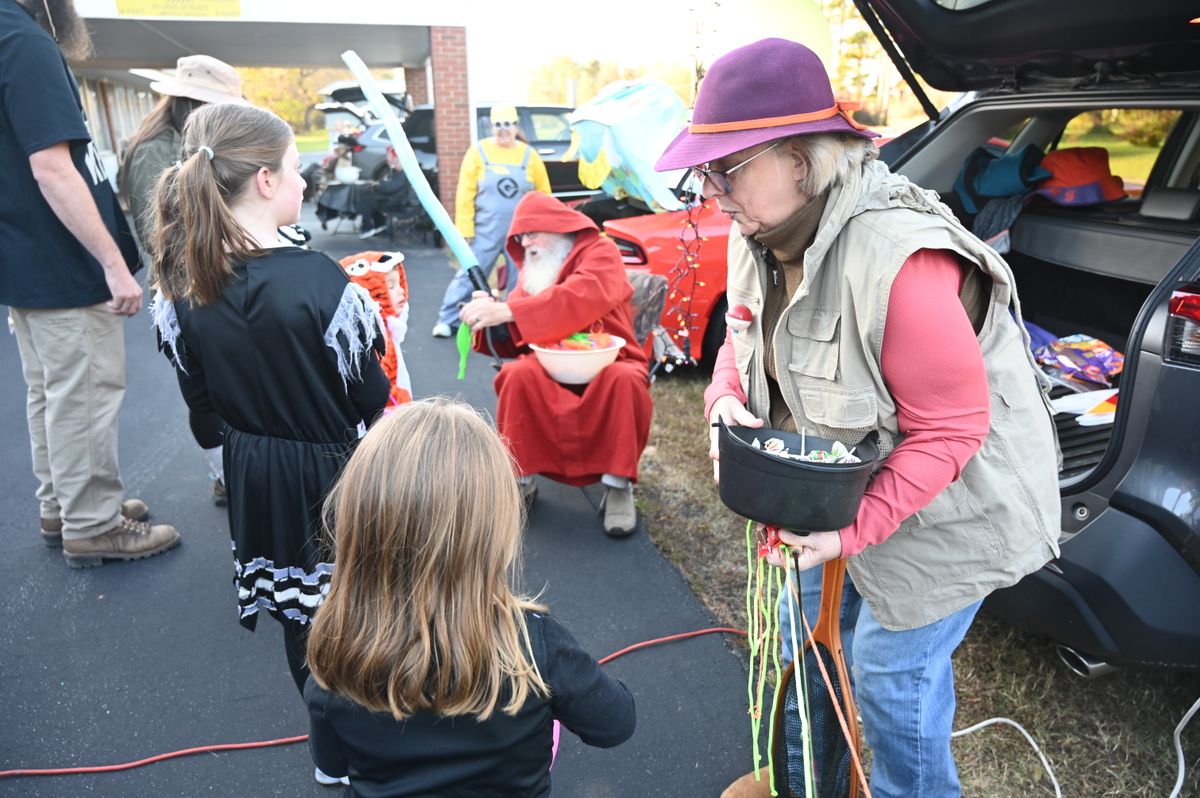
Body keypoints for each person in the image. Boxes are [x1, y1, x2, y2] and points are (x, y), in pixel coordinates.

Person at [653, 39, 1061, 798]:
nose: (711, 190)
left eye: (725, 168)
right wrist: (722, 399)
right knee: (803, 635)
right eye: (702, 172)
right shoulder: (757, 231)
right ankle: (814, 782)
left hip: (955, 505)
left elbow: (951, 430)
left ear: (799, 161)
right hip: (844, 484)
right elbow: (740, 337)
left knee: (889, 673)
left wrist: (850, 532)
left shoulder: (901, 261)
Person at [150, 102, 390, 767]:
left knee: (300, 618)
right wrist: (382, 337)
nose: (304, 181)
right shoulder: (318, 277)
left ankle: (329, 754)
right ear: (263, 180)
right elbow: (370, 397)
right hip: (334, 473)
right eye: (294, 168)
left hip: (254, 475)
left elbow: (202, 412)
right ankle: (377, 748)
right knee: (360, 611)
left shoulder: (182, 285)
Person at [305, 398, 636, 794]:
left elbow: (332, 763)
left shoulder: (337, 655)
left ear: (359, 524)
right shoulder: (534, 646)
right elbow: (614, 724)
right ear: (492, 530)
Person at [1, 0, 181, 567]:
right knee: (82, 397)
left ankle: (64, 506)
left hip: (30, 259)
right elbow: (53, 168)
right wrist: (111, 262)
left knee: (52, 393)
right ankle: (93, 523)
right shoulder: (24, 44)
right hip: (64, 263)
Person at [459, 192, 653, 536]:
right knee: (517, 375)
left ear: (557, 226)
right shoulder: (535, 267)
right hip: (548, 361)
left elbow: (582, 295)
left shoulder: (601, 252)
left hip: (610, 360)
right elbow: (517, 334)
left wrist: (508, 310)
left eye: (531, 233)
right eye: (520, 237)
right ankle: (520, 479)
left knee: (624, 381)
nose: (525, 243)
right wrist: (489, 318)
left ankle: (618, 486)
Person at [119, 53, 245, 506]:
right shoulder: (155, 150)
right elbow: (160, 235)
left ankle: (236, 471)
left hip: (217, 278)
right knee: (204, 394)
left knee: (233, 387)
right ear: (192, 102)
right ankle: (225, 477)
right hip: (186, 289)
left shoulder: (195, 140)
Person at [431, 104, 551, 337]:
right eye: (498, 125)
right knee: (470, 274)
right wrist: (465, 229)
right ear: (491, 126)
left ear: (516, 125)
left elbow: (544, 195)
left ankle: (515, 324)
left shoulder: (530, 156)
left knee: (522, 278)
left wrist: (542, 229)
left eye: (508, 124)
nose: (503, 130)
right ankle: (448, 319)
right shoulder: (478, 152)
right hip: (485, 231)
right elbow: (465, 194)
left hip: (520, 234)